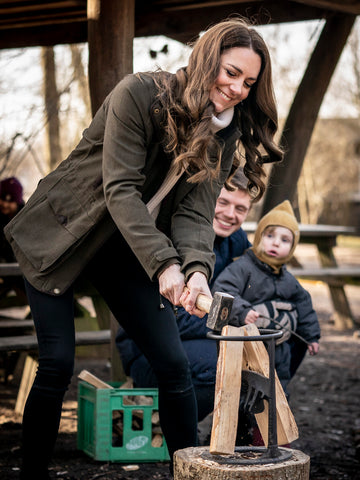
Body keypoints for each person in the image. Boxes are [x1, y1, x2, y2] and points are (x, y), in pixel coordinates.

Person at [4, 17, 283, 479]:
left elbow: (195, 212)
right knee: (57, 364)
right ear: (207, 60)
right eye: (230, 73)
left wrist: (194, 271)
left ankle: (189, 474)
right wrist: (165, 267)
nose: (236, 89)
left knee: (173, 366)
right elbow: (120, 191)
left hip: (125, 245)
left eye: (249, 82)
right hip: (61, 234)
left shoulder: (225, 130)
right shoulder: (138, 95)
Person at [116, 167, 252, 423]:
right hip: (149, 352)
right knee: (222, 366)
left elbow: (259, 282)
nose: (230, 214)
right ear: (208, 200)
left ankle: (238, 436)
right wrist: (231, 322)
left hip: (204, 339)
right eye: (222, 202)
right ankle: (171, 431)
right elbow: (169, 319)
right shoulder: (174, 239)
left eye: (240, 208)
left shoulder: (237, 242)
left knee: (274, 349)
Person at [212, 200, 321, 395]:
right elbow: (223, 288)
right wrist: (242, 311)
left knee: (278, 387)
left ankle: (269, 423)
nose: (276, 243)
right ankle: (243, 423)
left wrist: (312, 336)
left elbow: (303, 303)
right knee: (246, 389)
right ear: (259, 237)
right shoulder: (243, 267)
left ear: (293, 247)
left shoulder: (287, 278)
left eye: (285, 240)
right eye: (270, 236)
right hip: (247, 344)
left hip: (278, 347)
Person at [0, 176, 24, 262]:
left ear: (17, 203)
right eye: (2, 199)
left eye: (10, 201)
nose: (5, 205)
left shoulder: (25, 220)